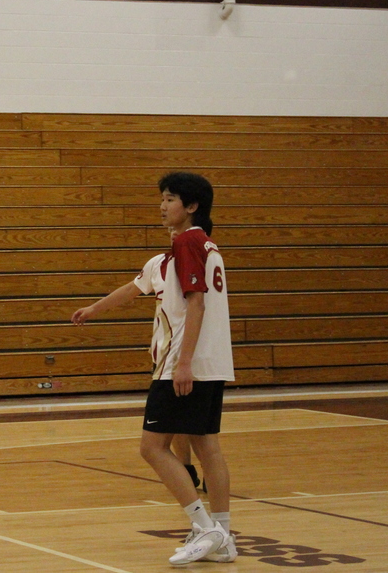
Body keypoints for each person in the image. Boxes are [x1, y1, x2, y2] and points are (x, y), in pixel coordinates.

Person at [71, 171, 234, 565]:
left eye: (170, 199)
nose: (163, 206)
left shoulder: (189, 243)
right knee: (205, 444)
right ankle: (224, 537)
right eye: (161, 198)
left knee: (153, 447)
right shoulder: (186, 251)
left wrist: (183, 363)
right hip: (211, 362)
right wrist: (94, 309)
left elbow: (196, 305)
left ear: (191, 206)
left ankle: (206, 527)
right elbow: (134, 288)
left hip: (185, 364)